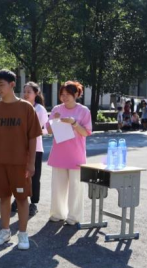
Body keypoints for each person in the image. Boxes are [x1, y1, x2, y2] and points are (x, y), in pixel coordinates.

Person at [0, 69, 42, 251]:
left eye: (1, 85)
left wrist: (30, 163)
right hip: (0, 162)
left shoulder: (26, 108)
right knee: (4, 197)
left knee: (22, 199)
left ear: (12, 84)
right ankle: (5, 231)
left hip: (20, 163)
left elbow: (32, 137)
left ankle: (22, 233)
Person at [46, 81, 92, 226]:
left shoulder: (83, 111)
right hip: (59, 153)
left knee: (76, 187)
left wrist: (74, 123)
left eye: (68, 94)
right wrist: (55, 120)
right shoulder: (56, 109)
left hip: (76, 154)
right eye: (62, 94)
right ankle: (57, 213)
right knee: (58, 186)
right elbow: (48, 130)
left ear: (77, 94)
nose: (64, 97)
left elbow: (86, 132)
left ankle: (74, 216)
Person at [17, 81, 49, 217]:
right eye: (24, 91)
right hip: (19, 147)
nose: (26, 94)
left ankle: (33, 202)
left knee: (34, 177)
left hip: (35, 148)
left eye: (29, 92)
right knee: (18, 176)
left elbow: (42, 129)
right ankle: (18, 199)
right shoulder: (19, 107)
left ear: (36, 93)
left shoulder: (40, 110)